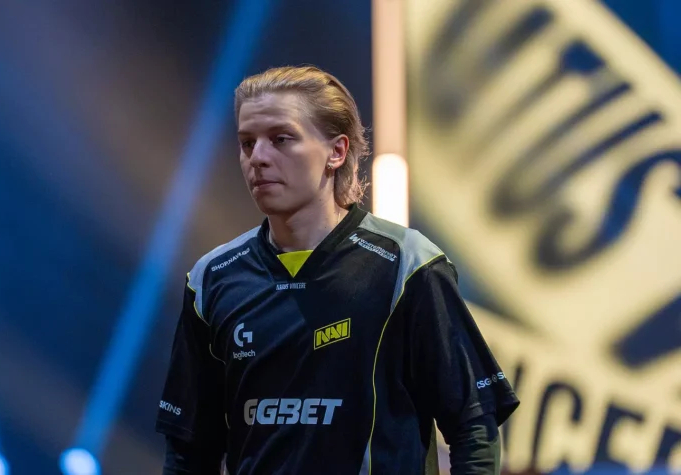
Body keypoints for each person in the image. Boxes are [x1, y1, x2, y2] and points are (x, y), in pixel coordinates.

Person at [155, 65, 519, 475]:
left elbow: (474, 427)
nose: (258, 158)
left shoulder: (409, 266)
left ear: (337, 152)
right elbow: (188, 451)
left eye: (281, 139)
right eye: (247, 143)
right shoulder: (211, 279)